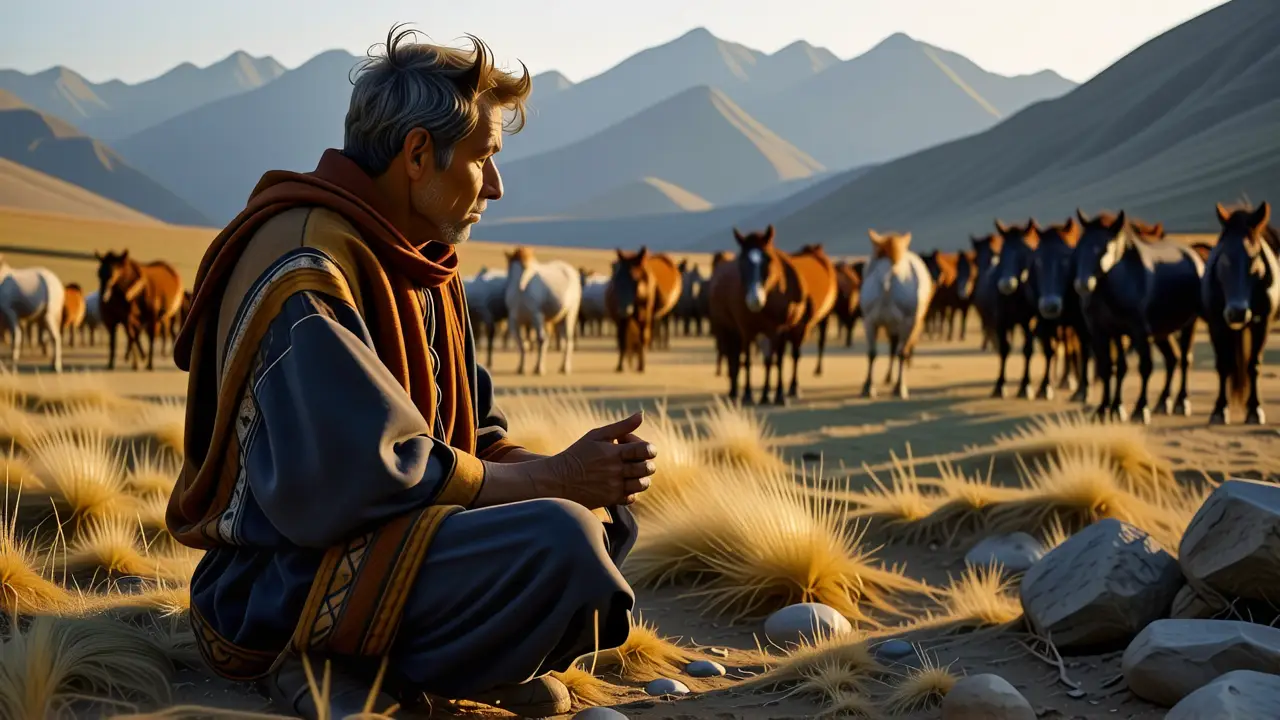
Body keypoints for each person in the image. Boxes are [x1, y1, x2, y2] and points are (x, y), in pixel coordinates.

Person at [166, 23, 655, 719]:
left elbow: (473, 433)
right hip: (278, 588)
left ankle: (459, 666)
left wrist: (577, 479)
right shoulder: (306, 263)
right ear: (419, 154)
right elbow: (363, 475)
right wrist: (551, 482)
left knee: (598, 517)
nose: (498, 185)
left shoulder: (419, 257)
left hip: (399, 539)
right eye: (485, 157)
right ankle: (320, 667)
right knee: (563, 539)